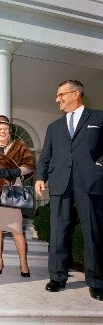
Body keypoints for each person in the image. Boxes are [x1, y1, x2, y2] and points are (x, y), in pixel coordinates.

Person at [35, 79, 103, 301]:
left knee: (93, 231)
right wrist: (40, 177)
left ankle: (96, 281)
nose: (57, 99)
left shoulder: (99, 117)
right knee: (57, 230)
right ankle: (57, 277)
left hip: (90, 181)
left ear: (75, 94)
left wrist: (100, 165)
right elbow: (45, 156)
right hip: (60, 181)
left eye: (61, 95)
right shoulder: (54, 127)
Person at [0, 115, 35, 277]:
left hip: (12, 190)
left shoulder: (20, 146)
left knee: (16, 228)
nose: (2, 131)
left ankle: (23, 264)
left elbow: (29, 166)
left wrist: (16, 171)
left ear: (9, 131)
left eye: (5, 129)